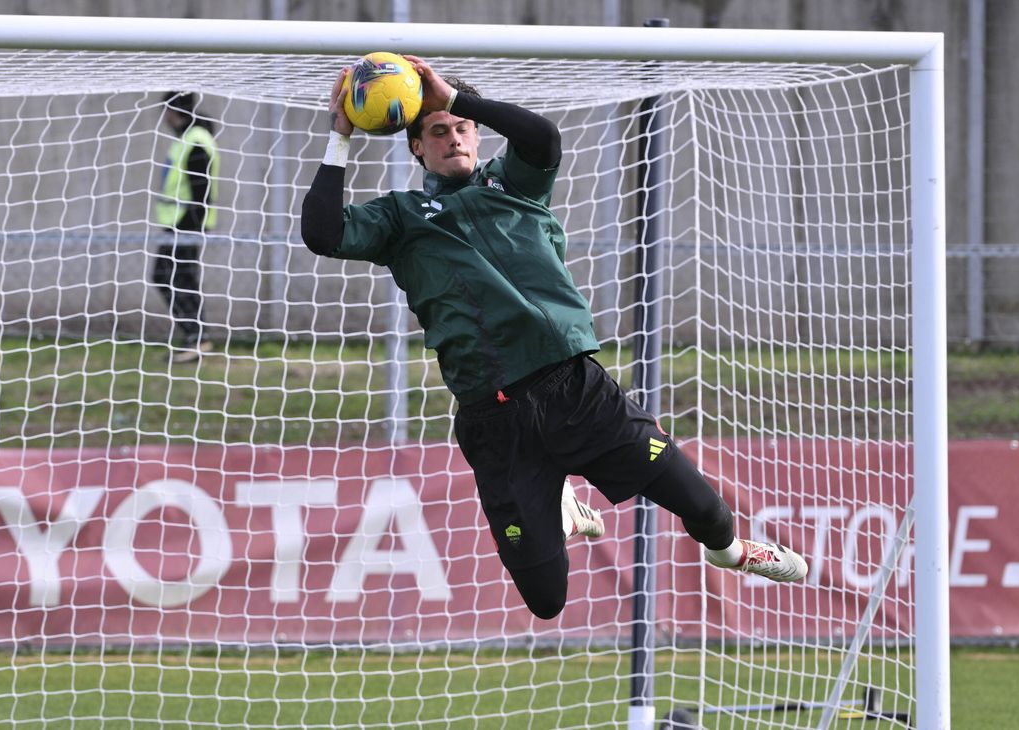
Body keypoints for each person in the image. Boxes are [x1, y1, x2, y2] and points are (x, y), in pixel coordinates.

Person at [301, 57, 808, 620]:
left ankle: (734, 554)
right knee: (547, 601)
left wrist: (457, 98)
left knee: (708, 510)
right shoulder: (401, 218)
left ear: (474, 132)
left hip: (577, 392)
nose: (452, 138)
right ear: (417, 148)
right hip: (494, 421)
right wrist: (339, 136)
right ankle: (560, 495)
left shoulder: (514, 183)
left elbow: (541, 135)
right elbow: (322, 233)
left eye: (460, 128)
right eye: (437, 132)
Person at [151, 91, 219, 364]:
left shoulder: (196, 140)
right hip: (177, 222)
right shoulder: (186, 138)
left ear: (174, 111)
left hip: (186, 223)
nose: (164, 117)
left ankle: (197, 337)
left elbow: (201, 188)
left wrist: (191, 225)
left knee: (172, 277)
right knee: (176, 278)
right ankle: (197, 337)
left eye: (166, 110)